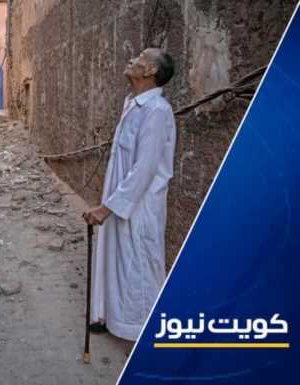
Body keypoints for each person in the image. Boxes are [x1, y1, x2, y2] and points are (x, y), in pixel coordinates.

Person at [83, 48, 176, 348]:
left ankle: (143, 327)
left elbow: (145, 169)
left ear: (150, 71)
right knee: (117, 258)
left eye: (139, 58)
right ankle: (112, 316)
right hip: (121, 197)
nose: (132, 60)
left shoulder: (157, 111)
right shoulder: (133, 104)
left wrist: (107, 208)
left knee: (139, 263)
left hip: (140, 205)